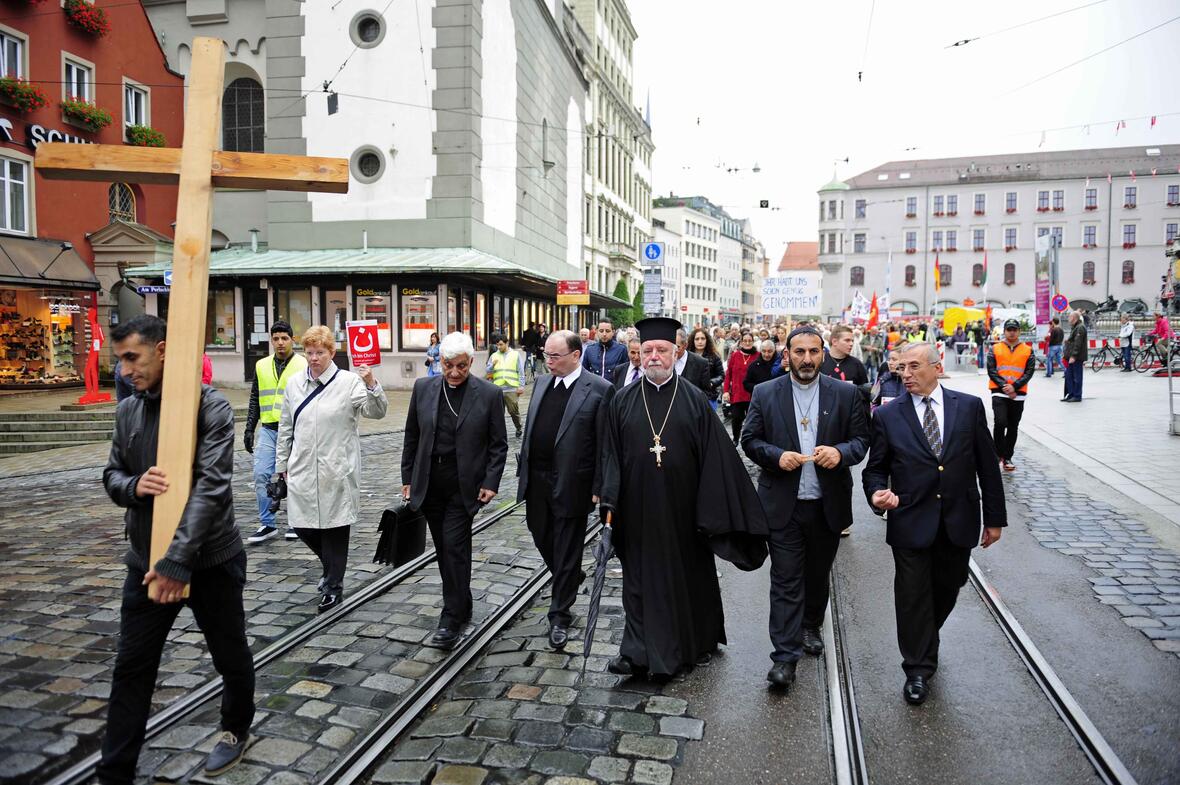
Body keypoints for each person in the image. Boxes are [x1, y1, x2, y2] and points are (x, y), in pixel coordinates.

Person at [101, 315, 254, 782]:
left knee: (229, 653)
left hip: (210, 560)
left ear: (162, 349)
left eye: (133, 357)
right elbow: (110, 475)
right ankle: (115, 770)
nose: (126, 370)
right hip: (146, 564)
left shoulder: (212, 407)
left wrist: (178, 562)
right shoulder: (128, 410)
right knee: (132, 666)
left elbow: (211, 488)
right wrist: (133, 486)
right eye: (120, 360)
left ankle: (235, 729)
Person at [599, 317, 768, 679]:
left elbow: (717, 460)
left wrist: (711, 510)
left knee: (687, 579)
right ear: (639, 355)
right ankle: (636, 651)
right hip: (638, 509)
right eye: (647, 351)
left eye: (661, 350)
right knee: (638, 583)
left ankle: (694, 643)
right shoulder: (623, 400)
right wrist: (609, 500)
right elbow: (610, 454)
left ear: (676, 353)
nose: (654, 357)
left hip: (685, 510)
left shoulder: (693, 400)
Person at [862, 341, 1006, 705]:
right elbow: (875, 469)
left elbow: (987, 467)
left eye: (913, 367)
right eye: (901, 369)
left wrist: (994, 519)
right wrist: (878, 494)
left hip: (958, 519)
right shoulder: (888, 415)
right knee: (911, 597)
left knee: (949, 586)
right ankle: (917, 669)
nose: (905, 374)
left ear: (936, 367)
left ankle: (926, 636)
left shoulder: (969, 407)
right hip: (910, 520)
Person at [742, 326, 870, 689]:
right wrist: (777, 456)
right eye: (799, 352)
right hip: (783, 505)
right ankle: (784, 658)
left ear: (824, 354)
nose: (807, 359)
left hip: (826, 505)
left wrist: (840, 453)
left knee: (817, 575)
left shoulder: (844, 394)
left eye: (814, 352)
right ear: (788, 354)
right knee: (784, 579)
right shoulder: (767, 393)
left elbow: (862, 441)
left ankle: (811, 623)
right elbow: (749, 440)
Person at [402, 332, 508, 650]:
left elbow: (498, 445)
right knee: (445, 549)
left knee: (454, 546)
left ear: (470, 362)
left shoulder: (489, 394)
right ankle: (462, 601)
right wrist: (407, 476)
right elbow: (412, 435)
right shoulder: (423, 388)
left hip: (465, 486)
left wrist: (491, 482)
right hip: (430, 482)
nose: (454, 373)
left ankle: (451, 617)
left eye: (461, 366)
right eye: (448, 365)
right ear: (440, 361)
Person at [274, 326, 387, 613]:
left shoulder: (349, 382)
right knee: (301, 524)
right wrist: (281, 466)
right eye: (309, 352)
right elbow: (286, 427)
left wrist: (372, 383)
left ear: (332, 353)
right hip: (301, 467)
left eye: (320, 353)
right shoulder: (294, 384)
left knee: (335, 528)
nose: (313, 358)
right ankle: (333, 568)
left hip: (337, 468)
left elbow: (377, 412)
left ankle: (332, 586)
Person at [517, 330, 614, 648]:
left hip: (574, 482)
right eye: (546, 355)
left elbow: (605, 444)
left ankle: (559, 615)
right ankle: (568, 575)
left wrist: (600, 485)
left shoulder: (599, 390)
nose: (548, 361)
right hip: (537, 479)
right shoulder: (543, 383)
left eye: (554, 356)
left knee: (568, 546)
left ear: (576, 355)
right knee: (539, 531)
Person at [243, 321, 308, 545]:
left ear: (292, 340)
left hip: (296, 430)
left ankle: (296, 523)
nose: (280, 343)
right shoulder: (261, 365)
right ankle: (267, 523)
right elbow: (254, 398)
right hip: (269, 430)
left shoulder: (304, 364)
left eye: (284, 338)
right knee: (261, 474)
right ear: (271, 340)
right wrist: (250, 427)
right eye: (276, 339)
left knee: (295, 477)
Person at [986, 319, 1035, 472]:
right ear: (1004, 331)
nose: (1012, 332)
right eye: (1009, 329)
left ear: (1019, 331)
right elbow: (991, 370)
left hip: (1018, 394)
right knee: (1000, 423)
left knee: (1013, 426)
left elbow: (1029, 371)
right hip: (999, 392)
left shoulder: (1028, 350)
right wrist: (1005, 386)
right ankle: (997, 454)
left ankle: (1007, 457)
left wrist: (1014, 386)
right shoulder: (995, 348)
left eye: (1014, 329)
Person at [486, 333, 526, 437]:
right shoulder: (494, 355)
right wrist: (492, 366)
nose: (499, 347)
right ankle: (499, 433)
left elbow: (521, 372)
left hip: (512, 388)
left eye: (501, 344)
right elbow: (488, 370)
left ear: (506, 343)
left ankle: (518, 427)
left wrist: (521, 386)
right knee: (498, 414)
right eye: (497, 345)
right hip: (497, 389)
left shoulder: (515, 354)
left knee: (513, 411)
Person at [723, 332, 759, 442]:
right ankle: (736, 437)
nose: (747, 343)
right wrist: (726, 391)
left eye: (750, 341)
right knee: (736, 417)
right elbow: (728, 374)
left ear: (753, 342)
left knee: (752, 419)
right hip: (737, 393)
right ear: (741, 342)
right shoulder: (735, 355)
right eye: (745, 341)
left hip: (752, 394)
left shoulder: (758, 356)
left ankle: (751, 439)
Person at [581, 318, 628, 384]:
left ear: (613, 332)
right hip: (594, 390)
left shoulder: (622, 349)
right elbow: (584, 373)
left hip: (614, 391)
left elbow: (626, 373)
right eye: (601, 331)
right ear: (597, 332)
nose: (604, 334)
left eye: (608, 331)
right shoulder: (590, 350)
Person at [689, 327, 726, 408]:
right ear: (693, 340)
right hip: (690, 396)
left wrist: (712, 382)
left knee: (708, 420)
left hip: (709, 396)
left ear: (707, 340)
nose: (700, 341)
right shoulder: (687, 356)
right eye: (697, 339)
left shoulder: (714, 356)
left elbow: (721, 375)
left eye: (703, 338)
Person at [674, 328, 712, 392]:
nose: (673, 351)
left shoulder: (701, 363)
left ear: (685, 345)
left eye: (677, 347)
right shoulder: (664, 360)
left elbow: (705, 392)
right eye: (671, 347)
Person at [1062, 309, 1087, 402]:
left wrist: (1073, 356)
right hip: (1071, 357)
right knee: (1069, 376)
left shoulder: (1080, 327)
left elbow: (1078, 343)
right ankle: (1071, 394)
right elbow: (1073, 341)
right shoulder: (1075, 327)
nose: (1068, 319)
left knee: (1077, 377)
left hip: (1076, 357)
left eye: (1070, 317)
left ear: (1074, 318)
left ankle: (1077, 396)